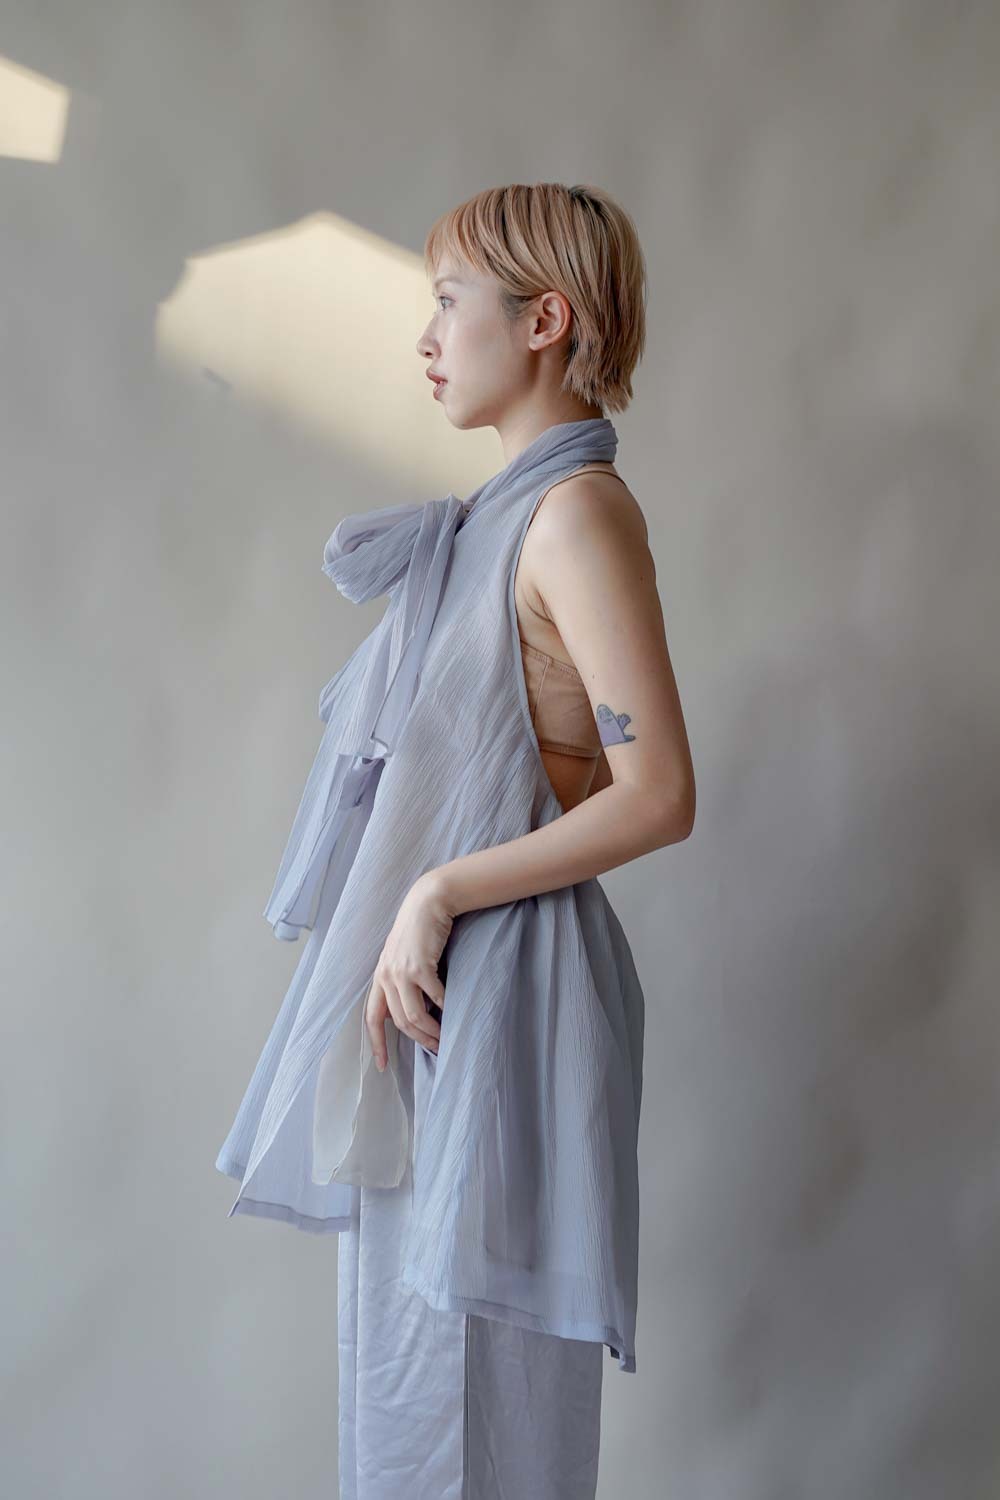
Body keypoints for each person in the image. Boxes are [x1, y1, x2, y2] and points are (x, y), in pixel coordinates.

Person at [217, 181, 695, 1499]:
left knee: (477, 1424)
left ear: (545, 321)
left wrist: (433, 892)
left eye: (447, 301)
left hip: (503, 1000)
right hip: (433, 1005)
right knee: (414, 1414)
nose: (426, 336)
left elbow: (659, 792)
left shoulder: (575, 514)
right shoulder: (496, 522)